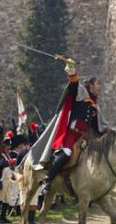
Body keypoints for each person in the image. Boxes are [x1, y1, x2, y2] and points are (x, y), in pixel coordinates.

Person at [40, 57, 107, 195]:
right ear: (91, 85)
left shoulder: (95, 103)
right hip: (71, 133)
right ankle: (47, 180)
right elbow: (74, 83)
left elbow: (96, 124)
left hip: (83, 137)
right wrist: (71, 69)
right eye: (98, 83)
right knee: (67, 153)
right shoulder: (81, 92)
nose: (100, 86)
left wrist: (107, 131)